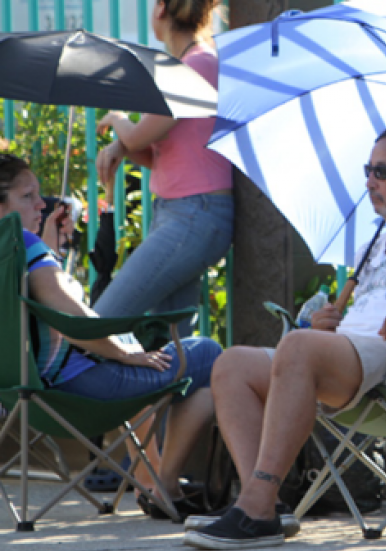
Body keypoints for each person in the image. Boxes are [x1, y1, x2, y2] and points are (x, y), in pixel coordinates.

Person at [182, 126, 386, 550]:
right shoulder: (376, 242)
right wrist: (331, 326)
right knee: (233, 364)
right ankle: (262, 505)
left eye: (382, 171)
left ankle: (254, 508)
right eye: (368, 170)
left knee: (300, 348)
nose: (369, 182)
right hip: (354, 357)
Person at [0, 153, 222, 518]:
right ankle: (167, 483)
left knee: (150, 355)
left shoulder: (14, 251)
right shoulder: (24, 245)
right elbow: (75, 319)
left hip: (18, 394)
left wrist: (49, 250)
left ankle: (153, 480)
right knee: (206, 352)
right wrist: (122, 353)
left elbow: (34, 316)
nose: (42, 204)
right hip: (74, 393)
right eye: (27, 197)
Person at [92, 0, 232, 336]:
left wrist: (117, 120)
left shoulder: (199, 65)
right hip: (178, 213)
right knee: (171, 348)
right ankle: (192, 389)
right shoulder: (189, 65)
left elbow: (139, 136)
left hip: (194, 214)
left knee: (99, 322)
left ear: (161, 9)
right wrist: (121, 147)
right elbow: (157, 154)